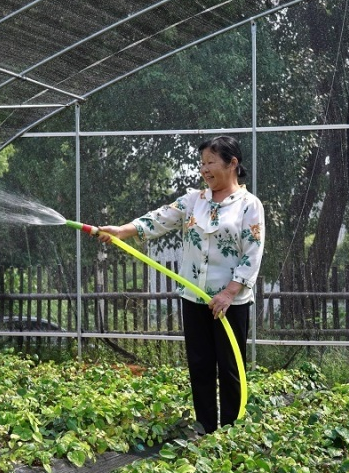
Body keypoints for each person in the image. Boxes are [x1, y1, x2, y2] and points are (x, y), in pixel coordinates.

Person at [98, 135, 265, 434]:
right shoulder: (193, 200)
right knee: (199, 365)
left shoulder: (249, 206)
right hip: (194, 296)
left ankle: (231, 430)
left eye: (211, 162)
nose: (204, 169)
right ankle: (205, 428)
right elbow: (159, 219)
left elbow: (253, 251)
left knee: (230, 368)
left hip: (229, 303)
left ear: (233, 163)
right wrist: (122, 231)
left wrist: (229, 293)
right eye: (202, 163)